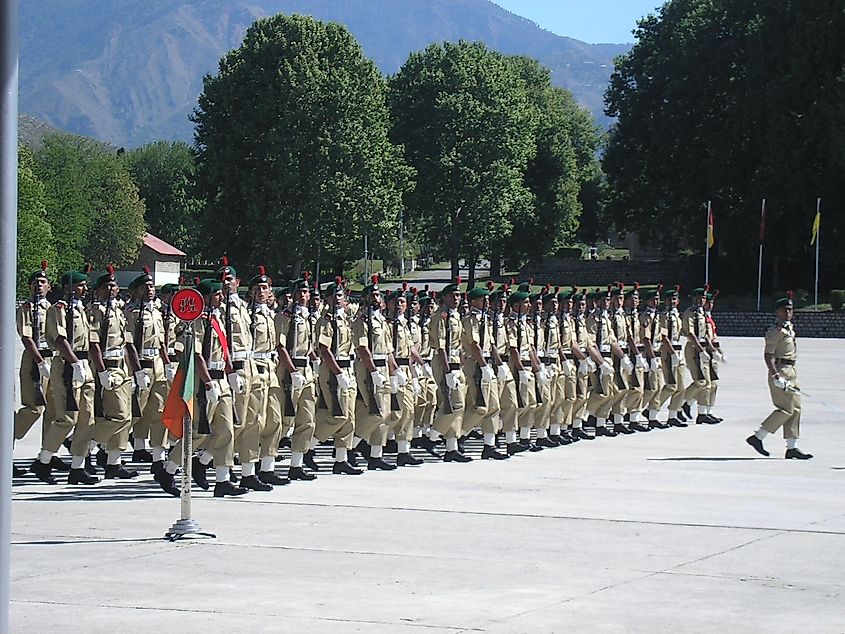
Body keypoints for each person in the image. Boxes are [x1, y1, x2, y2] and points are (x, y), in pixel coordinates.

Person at [30, 269, 98, 485]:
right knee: (67, 419)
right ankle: (43, 461)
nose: (84, 289)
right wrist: (75, 363)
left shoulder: (82, 310)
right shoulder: (57, 309)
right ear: (68, 287)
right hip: (67, 366)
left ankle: (77, 467)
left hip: (84, 366)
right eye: (80, 285)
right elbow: (60, 339)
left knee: (87, 419)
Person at [746, 293, 813, 459]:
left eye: (790, 309)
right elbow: (768, 355)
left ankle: (792, 447)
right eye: (785, 310)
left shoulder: (788, 328)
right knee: (785, 409)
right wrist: (775, 375)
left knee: (795, 409)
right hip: (780, 370)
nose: (788, 312)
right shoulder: (776, 331)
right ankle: (758, 436)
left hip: (791, 370)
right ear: (778, 311)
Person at [314, 278, 364, 474]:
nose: (337, 299)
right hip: (335, 370)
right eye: (333, 296)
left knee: (349, 418)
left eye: (340, 296)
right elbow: (325, 350)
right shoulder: (326, 320)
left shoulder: (346, 320)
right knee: (339, 415)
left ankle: (341, 460)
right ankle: (309, 446)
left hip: (347, 369)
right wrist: (338, 373)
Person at [14, 261, 57, 477]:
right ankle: (6, 442)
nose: (38, 285)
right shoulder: (26, 308)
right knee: (34, 408)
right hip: (34, 360)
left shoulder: (53, 309)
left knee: (55, 410)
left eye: (42, 282)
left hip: (53, 361)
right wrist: (40, 363)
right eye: (35, 283)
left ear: (49, 286)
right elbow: (27, 337)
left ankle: (47, 456)